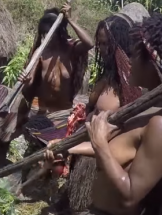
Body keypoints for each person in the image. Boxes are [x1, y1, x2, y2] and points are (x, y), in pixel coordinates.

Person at [44, 13, 162, 215]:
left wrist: (100, 145)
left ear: (150, 61)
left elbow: (130, 194)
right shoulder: (144, 108)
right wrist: (66, 147)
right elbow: (117, 149)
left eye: (133, 54)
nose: (126, 58)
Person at [52, 12, 144, 213]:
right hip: (84, 152)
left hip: (102, 164)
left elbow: (120, 137)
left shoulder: (131, 87)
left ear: (119, 44)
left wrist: (71, 148)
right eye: (99, 44)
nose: (101, 50)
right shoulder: (107, 76)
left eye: (106, 45)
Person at [18, 4, 93, 149]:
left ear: (59, 32)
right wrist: (26, 81)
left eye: (50, 33)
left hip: (63, 112)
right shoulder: (40, 53)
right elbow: (30, 80)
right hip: (41, 111)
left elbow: (89, 43)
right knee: (38, 152)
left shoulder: (71, 49)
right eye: (44, 34)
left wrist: (70, 20)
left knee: (58, 153)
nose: (46, 37)